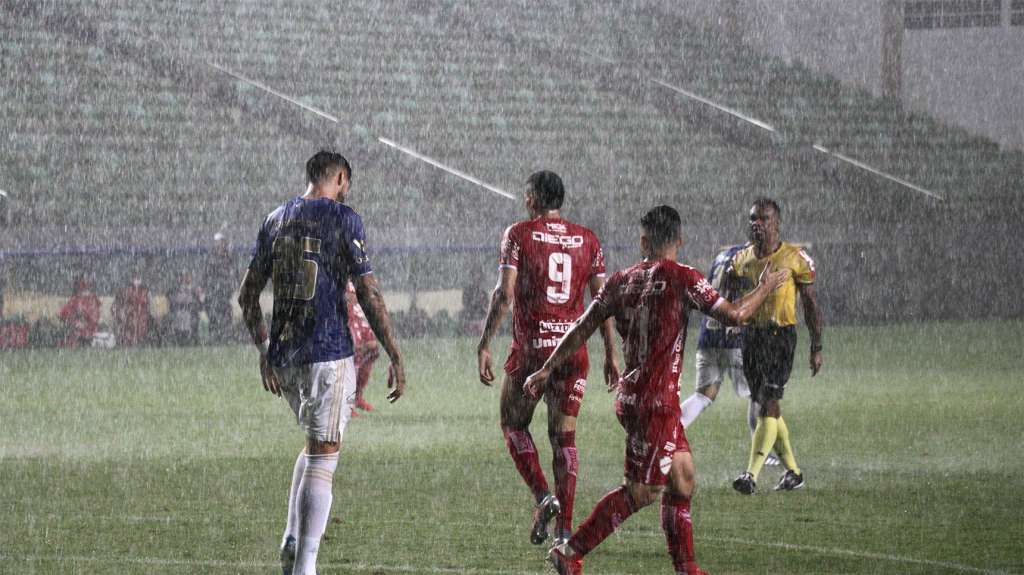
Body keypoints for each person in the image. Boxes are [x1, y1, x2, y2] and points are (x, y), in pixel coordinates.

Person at [524, 205, 787, 575]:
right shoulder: (682, 277)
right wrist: (765, 288)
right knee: (642, 491)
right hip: (657, 403)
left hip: (634, 397)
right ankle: (570, 552)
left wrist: (546, 368)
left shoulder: (621, 280)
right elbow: (736, 315)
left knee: (682, 476)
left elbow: (582, 325)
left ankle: (687, 567)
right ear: (679, 240)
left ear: (644, 240)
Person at [238, 150, 405, 575]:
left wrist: (264, 349)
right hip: (326, 352)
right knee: (324, 456)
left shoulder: (277, 218)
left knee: (314, 446)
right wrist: (394, 351)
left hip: (286, 355)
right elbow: (368, 293)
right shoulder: (343, 218)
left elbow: (247, 296)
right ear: (341, 178)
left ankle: (292, 537)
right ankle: (305, 566)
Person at [477, 170, 619, 547]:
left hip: (534, 350)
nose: (525, 202)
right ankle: (565, 530)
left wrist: (485, 343)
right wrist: (610, 353)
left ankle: (543, 496)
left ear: (535, 199)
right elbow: (602, 304)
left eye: (527, 197)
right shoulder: (589, 239)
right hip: (573, 351)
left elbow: (504, 295)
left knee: (513, 424)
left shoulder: (519, 234)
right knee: (564, 439)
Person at [731, 198, 823, 495]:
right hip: (752, 338)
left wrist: (816, 346)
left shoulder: (795, 258)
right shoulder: (741, 260)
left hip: (780, 337)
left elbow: (809, 304)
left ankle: (751, 475)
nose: (757, 224)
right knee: (767, 404)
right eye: (753, 218)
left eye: (764, 219)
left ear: (777, 223)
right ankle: (794, 472)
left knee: (768, 404)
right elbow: (733, 301)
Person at [678, 244, 781, 467]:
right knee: (759, 393)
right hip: (735, 334)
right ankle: (766, 452)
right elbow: (743, 294)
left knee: (703, 395)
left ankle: (669, 434)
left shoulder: (722, 256)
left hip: (709, 334)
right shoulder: (748, 258)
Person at [345, 282, 379, 415]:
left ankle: (357, 396)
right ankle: (348, 403)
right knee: (356, 352)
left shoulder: (358, 270)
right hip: (348, 314)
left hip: (358, 312)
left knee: (372, 350)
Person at [204, 233, 239, 343]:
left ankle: (226, 337)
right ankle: (214, 337)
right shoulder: (212, 258)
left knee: (225, 314)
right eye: (219, 242)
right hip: (214, 292)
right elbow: (207, 274)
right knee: (213, 315)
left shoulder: (228, 258)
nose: (221, 245)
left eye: (222, 242)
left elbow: (233, 273)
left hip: (224, 292)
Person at [59, 277, 102, 348]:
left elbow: (62, 315)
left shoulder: (77, 300)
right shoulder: (91, 300)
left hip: (83, 333)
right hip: (87, 333)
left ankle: (79, 340)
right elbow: (63, 314)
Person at [111, 272, 152, 346]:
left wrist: (144, 312)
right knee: (130, 329)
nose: (137, 281)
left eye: (138, 278)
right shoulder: (126, 290)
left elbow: (147, 305)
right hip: (130, 316)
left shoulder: (145, 291)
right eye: (135, 278)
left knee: (140, 330)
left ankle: (138, 342)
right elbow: (117, 303)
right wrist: (123, 312)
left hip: (140, 317)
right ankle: (128, 342)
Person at [167, 271, 203, 346]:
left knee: (192, 327)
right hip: (183, 310)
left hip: (192, 310)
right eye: (186, 277)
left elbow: (201, 299)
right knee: (180, 327)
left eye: (188, 277)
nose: (187, 278)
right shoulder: (180, 288)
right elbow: (175, 298)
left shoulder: (195, 288)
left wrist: (196, 299)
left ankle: (193, 342)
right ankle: (181, 342)